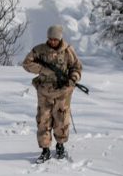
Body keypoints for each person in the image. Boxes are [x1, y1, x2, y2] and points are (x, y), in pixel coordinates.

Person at [22, 25, 83, 162]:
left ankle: (60, 146)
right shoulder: (39, 50)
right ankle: (45, 149)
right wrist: (43, 69)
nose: (52, 42)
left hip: (63, 92)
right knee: (43, 120)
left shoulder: (68, 51)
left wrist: (73, 78)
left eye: (55, 39)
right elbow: (26, 64)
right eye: (50, 39)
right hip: (44, 91)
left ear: (60, 38)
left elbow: (77, 67)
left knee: (61, 120)